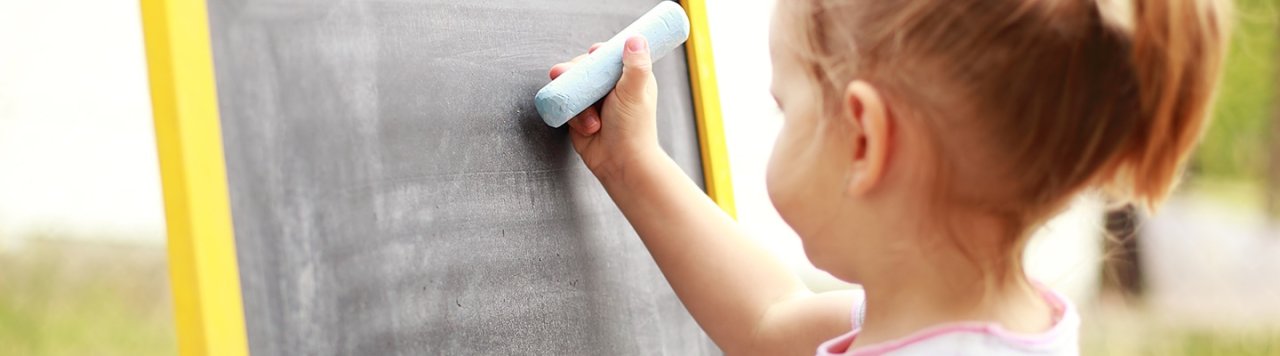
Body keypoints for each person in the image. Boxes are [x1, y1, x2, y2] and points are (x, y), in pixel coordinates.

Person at [546, 0, 1229, 354]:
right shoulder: (948, 314)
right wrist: (633, 162)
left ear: (866, 138)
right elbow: (765, 324)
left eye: (785, 107)